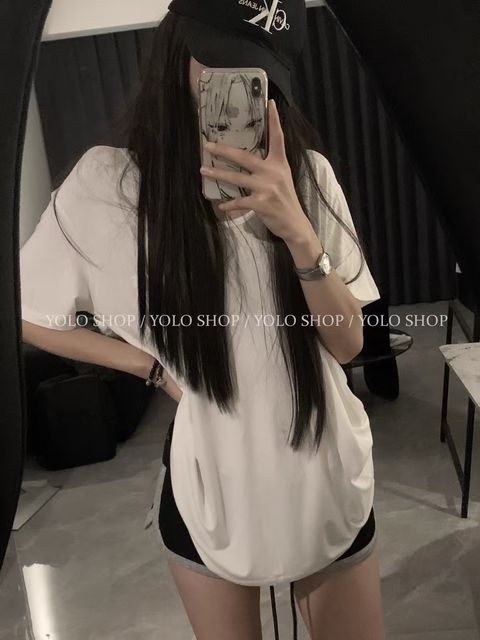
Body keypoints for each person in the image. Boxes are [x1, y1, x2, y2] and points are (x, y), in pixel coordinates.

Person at [20, 0, 386, 638]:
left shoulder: (308, 177)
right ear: (175, 47)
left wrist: (298, 231)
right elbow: (29, 312)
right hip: (209, 480)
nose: (240, 81)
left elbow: (350, 345)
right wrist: (151, 366)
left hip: (326, 463)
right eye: (220, 59)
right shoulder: (108, 186)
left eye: (257, 69)